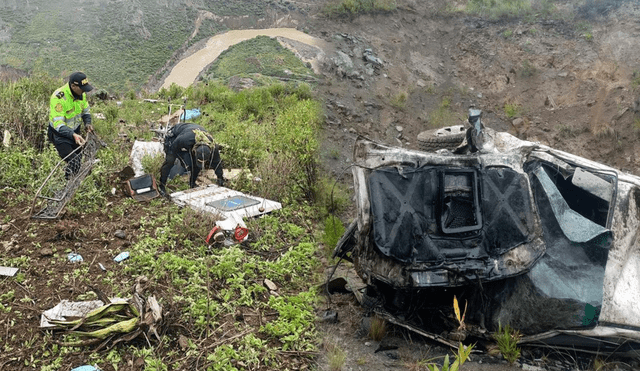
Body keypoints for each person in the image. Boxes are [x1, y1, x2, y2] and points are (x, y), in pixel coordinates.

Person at [47, 72, 94, 179]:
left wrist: (87, 123)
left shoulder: (81, 94)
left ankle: (72, 177)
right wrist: (72, 134)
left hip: (75, 132)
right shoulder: (58, 98)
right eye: (82, 88)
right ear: (73, 86)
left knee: (79, 156)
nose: (84, 91)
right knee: (74, 161)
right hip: (60, 135)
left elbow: (85, 111)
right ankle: (68, 183)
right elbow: (58, 124)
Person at [159, 123, 224, 196]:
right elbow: (173, 150)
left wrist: (220, 178)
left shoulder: (213, 147)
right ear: (195, 151)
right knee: (170, 162)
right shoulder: (183, 140)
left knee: (195, 165)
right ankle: (161, 186)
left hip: (191, 138)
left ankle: (192, 183)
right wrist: (181, 159)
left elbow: (217, 163)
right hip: (175, 136)